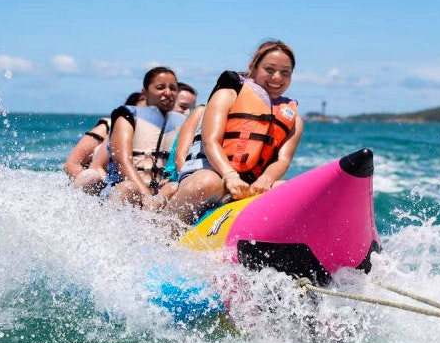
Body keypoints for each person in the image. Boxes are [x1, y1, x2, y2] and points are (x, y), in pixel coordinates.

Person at [165, 40, 303, 224]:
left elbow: (283, 160)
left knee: (289, 191)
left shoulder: (294, 119)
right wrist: (230, 176)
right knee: (208, 182)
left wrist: (265, 180)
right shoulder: (227, 94)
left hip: (251, 184)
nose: (277, 77)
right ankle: (162, 230)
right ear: (253, 67)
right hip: (211, 172)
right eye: (269, 70)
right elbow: (210, 142)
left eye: (285, 72)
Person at [105, 66, 187, 209]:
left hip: (161, 194)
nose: (168, 93)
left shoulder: (184, 122)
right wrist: (146, 196)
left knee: (175, 187)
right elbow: (122, 162)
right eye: (160, 87)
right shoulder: (127, 116)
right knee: (128, 188)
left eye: (173, 88)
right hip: (125, 189)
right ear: (145, 92)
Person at [70, 92, 145, 194]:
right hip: (103, 180)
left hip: (127, 183)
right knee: (90, 176)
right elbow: (71, 164)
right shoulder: (108, 127)